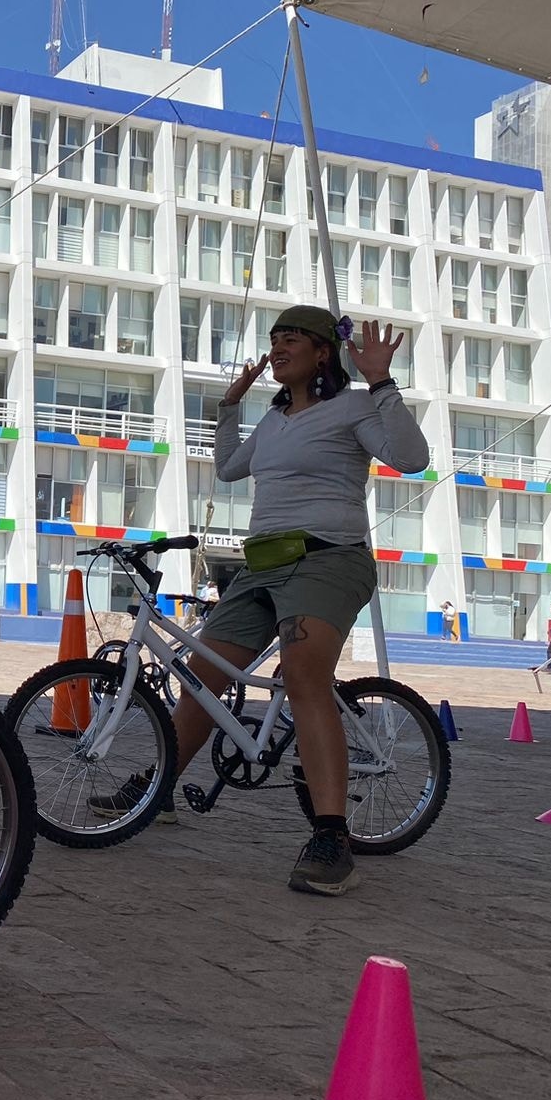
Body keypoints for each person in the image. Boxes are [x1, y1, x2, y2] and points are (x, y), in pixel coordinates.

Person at [91, 307, 428, 896]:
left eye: (291, 338)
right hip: (262, 566)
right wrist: (226, 409)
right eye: (273, 339)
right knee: (202, 677)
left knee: (303, 678)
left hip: (328, 560)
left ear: (324, 353)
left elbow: (412, 457)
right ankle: (161, 787)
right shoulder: (274, 421)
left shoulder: (351, 408)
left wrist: (379, 381)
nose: (277, 347)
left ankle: (331, 837)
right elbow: (227, 468)